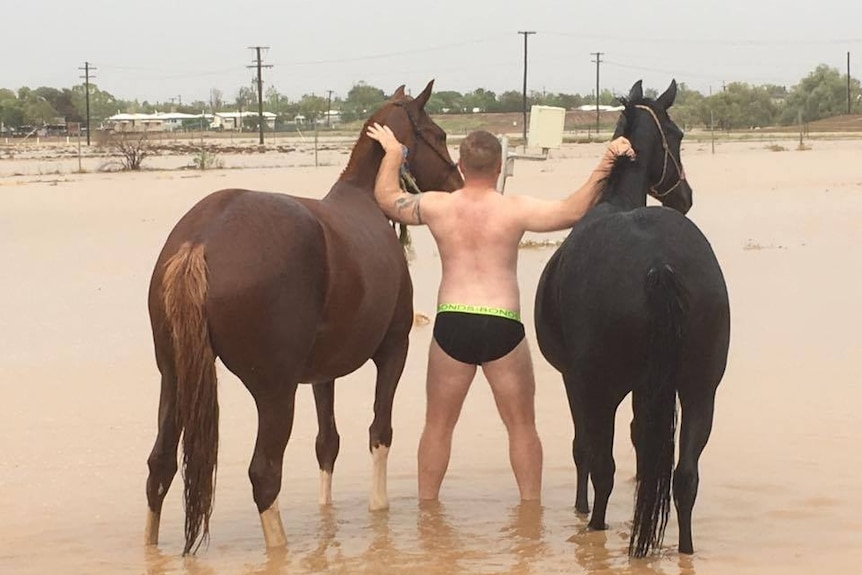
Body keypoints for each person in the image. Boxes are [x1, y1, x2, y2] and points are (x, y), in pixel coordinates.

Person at [366, 124, 635, 502]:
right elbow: (573, 210)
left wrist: (394, 152)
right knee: (522, 427)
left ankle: (428, 515)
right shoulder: (515, 208)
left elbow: (386, 198)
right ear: (500, 166)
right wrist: (607, 159)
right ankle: (530, 512)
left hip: (453, 321)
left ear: (460, 166)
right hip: (502, 323)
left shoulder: (437, 205)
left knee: (438, 427)